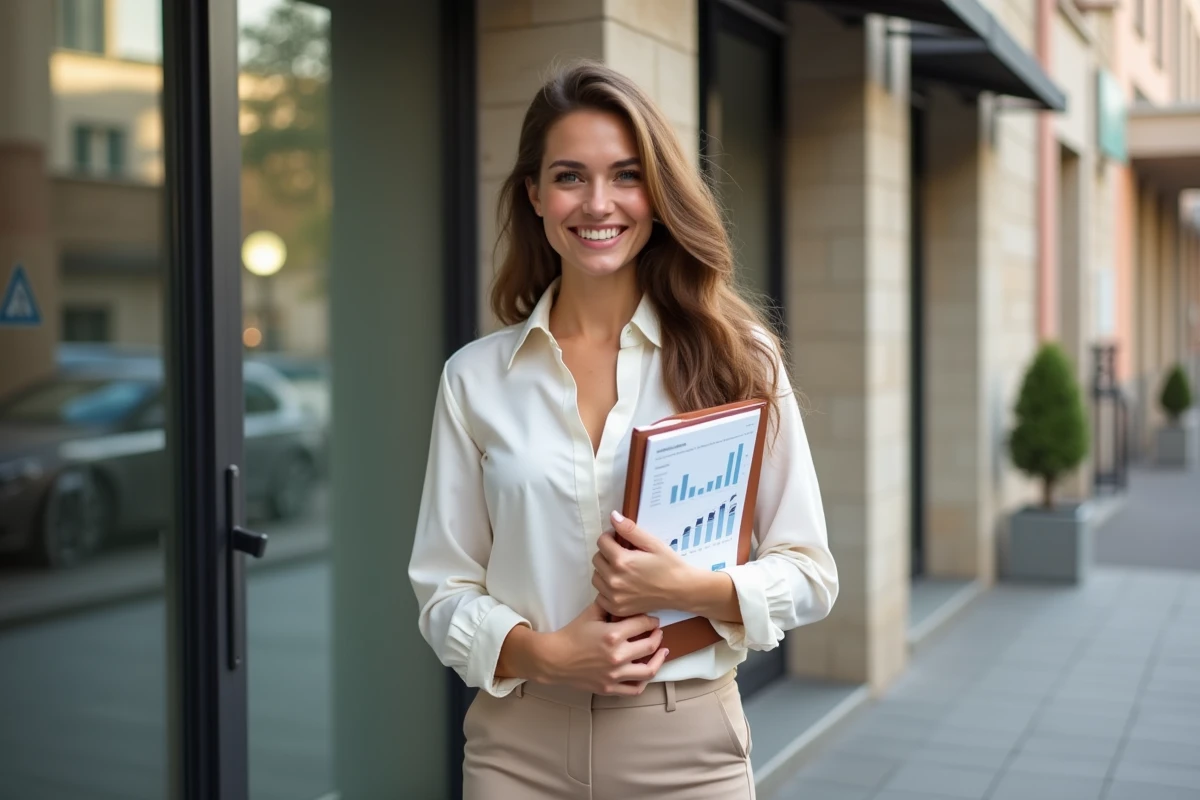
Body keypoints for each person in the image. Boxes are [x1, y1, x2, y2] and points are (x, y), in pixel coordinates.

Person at [408, 60, 838, 800]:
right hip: (518, 751)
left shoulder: (738, 359)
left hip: (685, 749)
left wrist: (695, 589)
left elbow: (810, 572)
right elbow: (442, 589)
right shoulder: (475, 379)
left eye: (626, 175)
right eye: (570, 176)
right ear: (535, 195)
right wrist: (542, 655)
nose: (598, 203)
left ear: (658, 196)